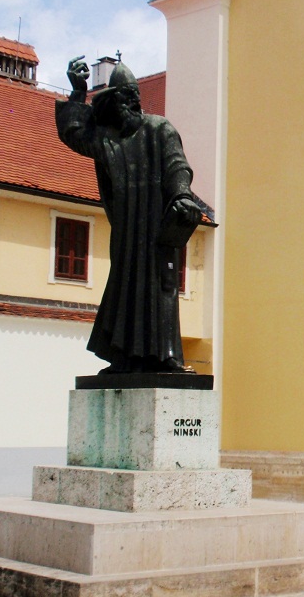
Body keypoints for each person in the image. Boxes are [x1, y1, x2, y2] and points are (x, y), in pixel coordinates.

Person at [56, 56, 203, 373]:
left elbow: (177, 165)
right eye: (117, 102)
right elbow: (74, 134)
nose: (123, 108)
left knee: (161, 286)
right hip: (126, 231)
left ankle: (166, 357)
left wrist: (180, 195)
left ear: (134, 101)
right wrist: (79, 93)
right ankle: (123, 357)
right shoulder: (109, 138)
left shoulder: (159, 129)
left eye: (127, 101)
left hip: (157, 225)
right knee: (125, 289)